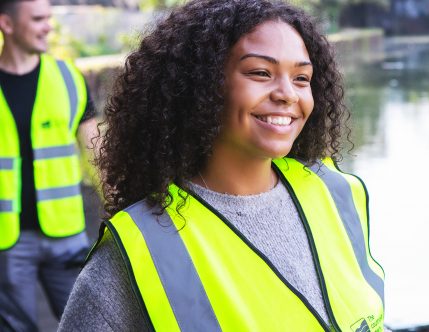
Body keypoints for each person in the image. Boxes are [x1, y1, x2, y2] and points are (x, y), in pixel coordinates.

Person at [59, 0, 385, 331]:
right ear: (201, 84)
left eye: (302, 77)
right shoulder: (142, 248)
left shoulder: (337, 193)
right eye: (261, 72)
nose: (288, 94)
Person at [0, 0, 98, 326]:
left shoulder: (69, 79)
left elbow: (98, 152)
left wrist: (119, 208)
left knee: (87, 323)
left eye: (49, 18)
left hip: (67, 236)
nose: (48, 26)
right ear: (7, 24)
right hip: (8, 241)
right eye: (39, 19)